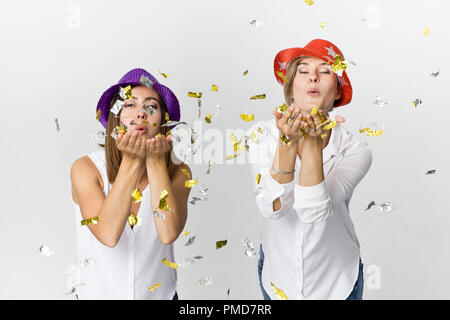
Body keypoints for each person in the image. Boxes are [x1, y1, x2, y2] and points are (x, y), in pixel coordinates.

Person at [248, 39, 372, 300]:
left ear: (337, 92)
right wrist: (287, 143)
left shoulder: (356, 150)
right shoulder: (261, 134)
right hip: (278, 278)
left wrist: (313, 143)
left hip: (337, 283)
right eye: (303, 71)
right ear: (290, 89)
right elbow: (273, 209)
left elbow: (313, 211)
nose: (313, 76)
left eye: (326, 71)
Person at [70, 68, 191, 299]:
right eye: (129, 105)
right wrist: (132, 161)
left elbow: (168, 233)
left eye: (151, 106)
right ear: (116, 117)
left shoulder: (180, 172)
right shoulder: (85, 168)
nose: (141, 114)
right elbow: (107, 234)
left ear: (163, 121)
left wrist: (155, 164)